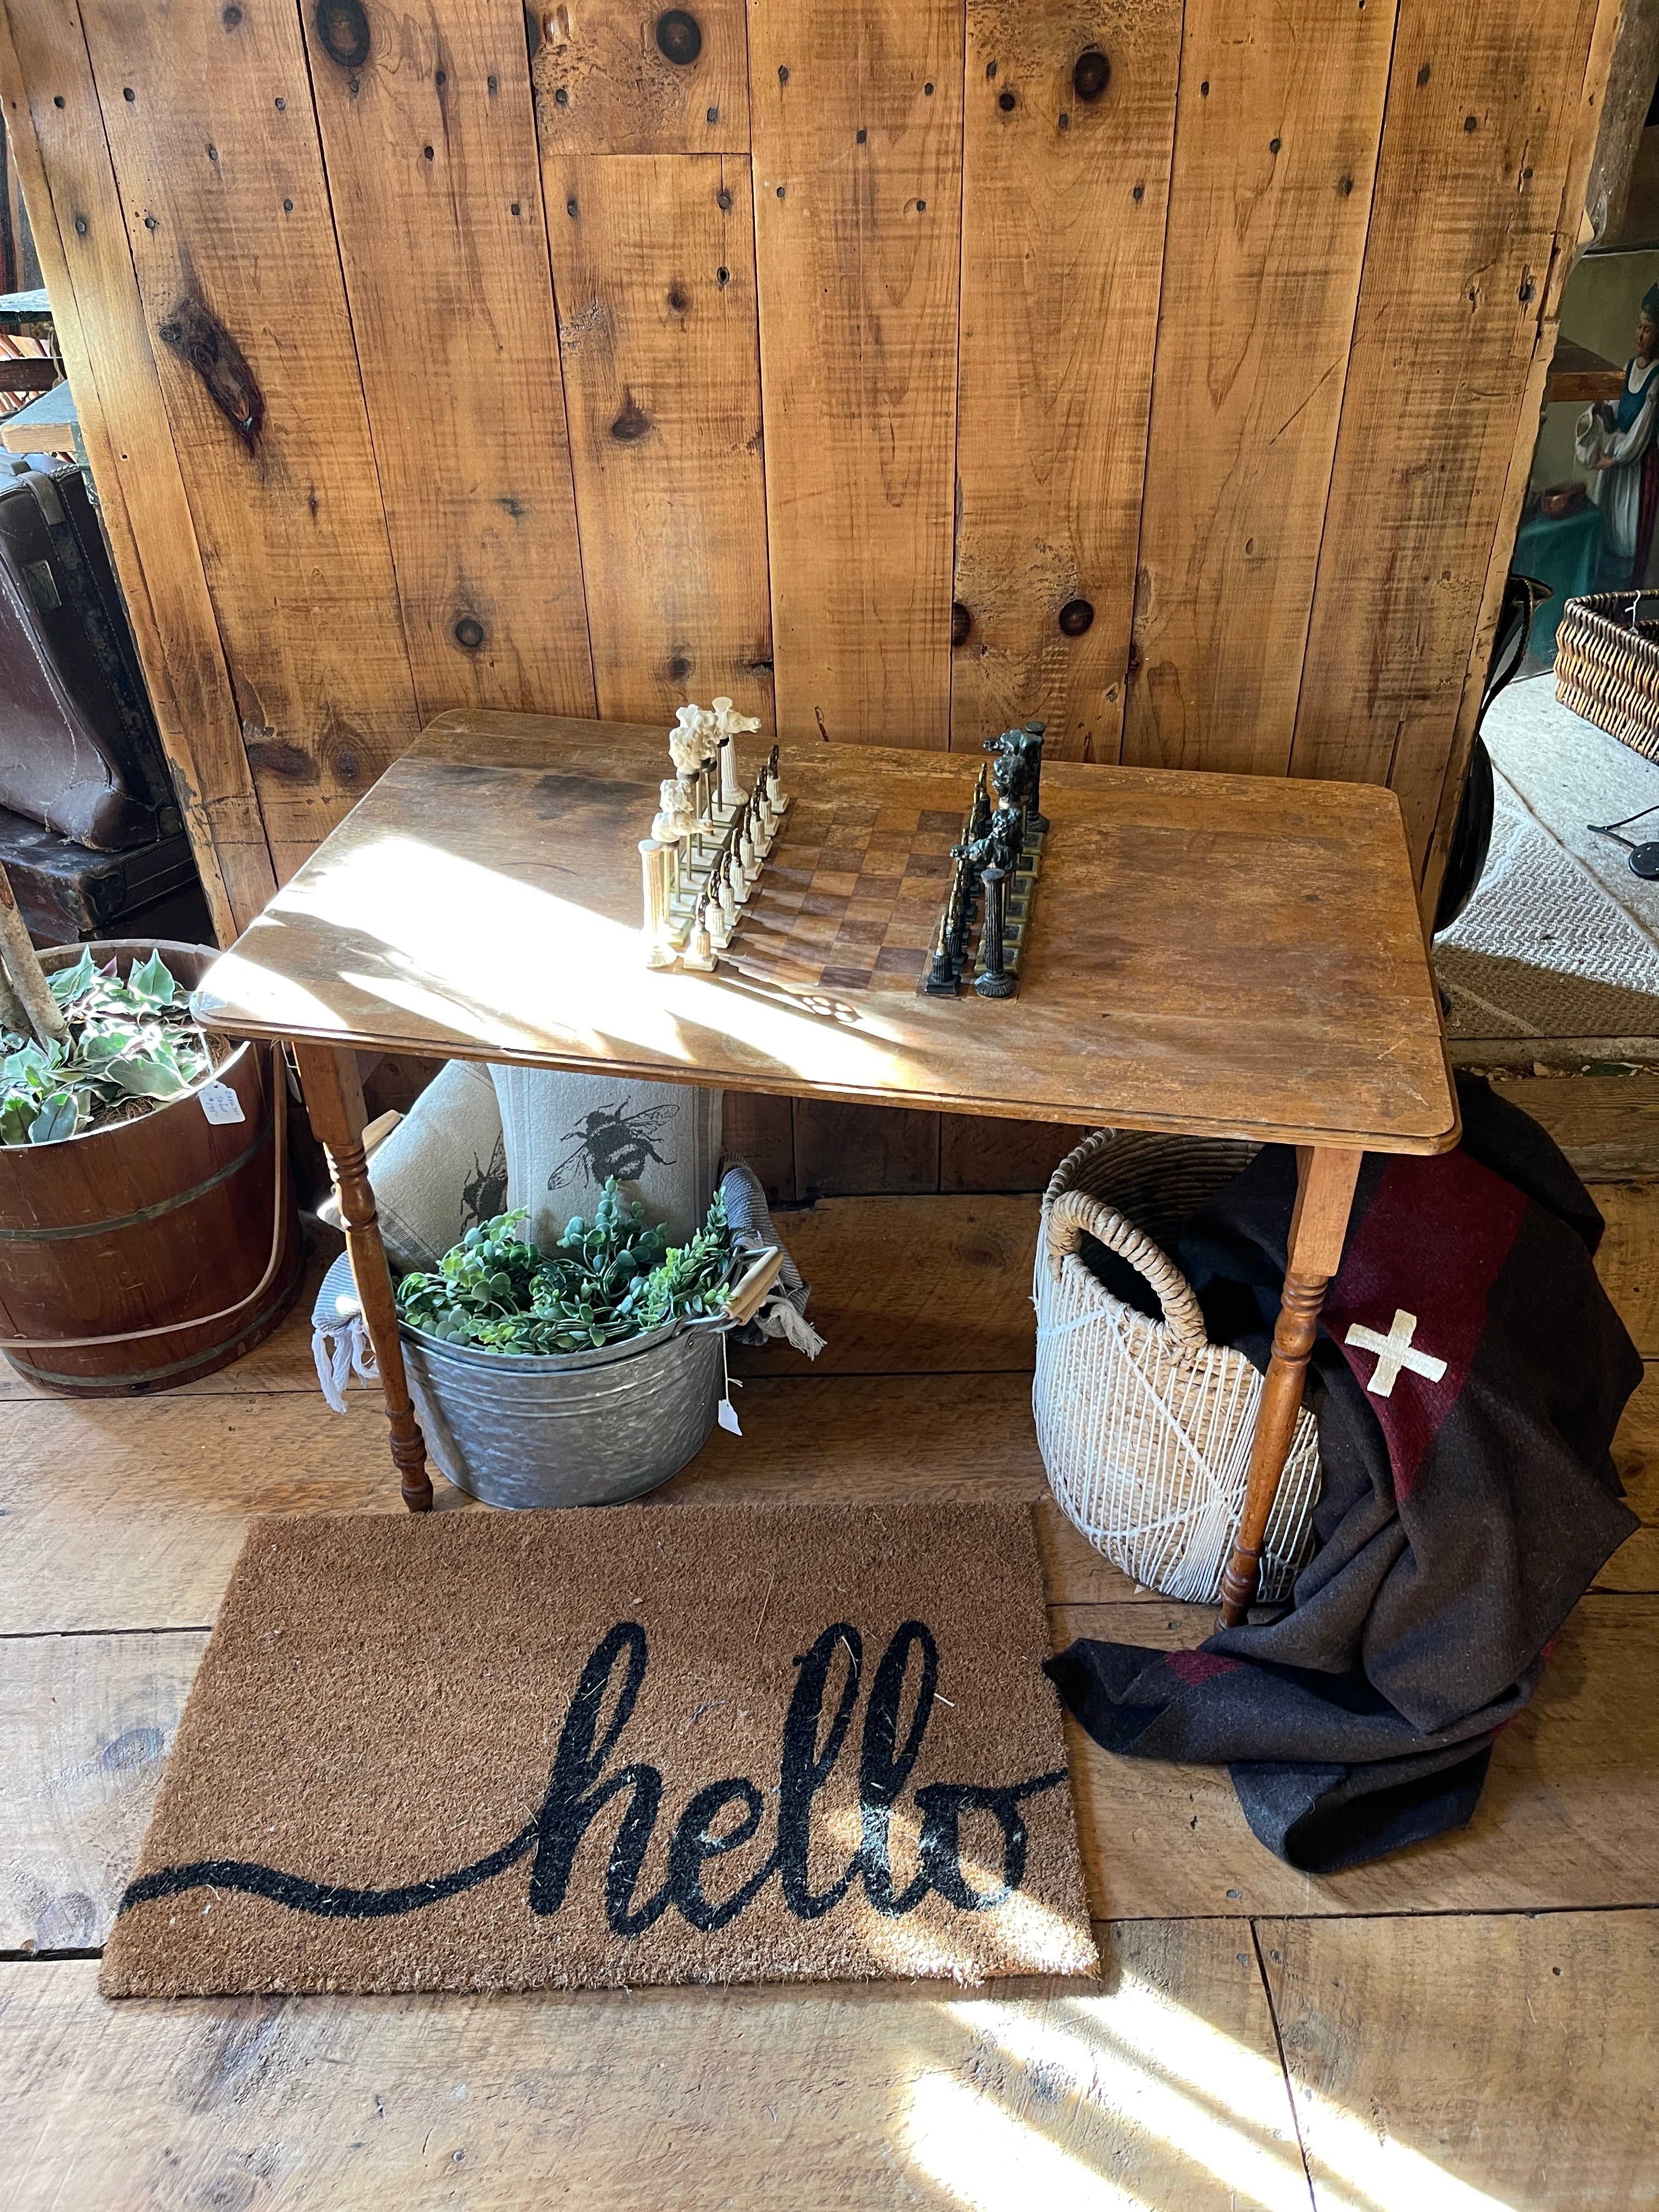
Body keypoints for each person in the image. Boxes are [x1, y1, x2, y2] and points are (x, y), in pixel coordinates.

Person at [1577, 283, 1659, 586]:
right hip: (1615, 462)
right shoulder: (1627, 367)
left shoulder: (1657, 378)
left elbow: (1642, 431)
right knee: (1608, 529)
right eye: (1639, 327)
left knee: (1627, 535)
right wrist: (1602, 412)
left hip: (1636, 468)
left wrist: (1613, 460)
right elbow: (1617, 418)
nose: (1640, 334)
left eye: (1648, 329)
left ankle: (1624, 604)